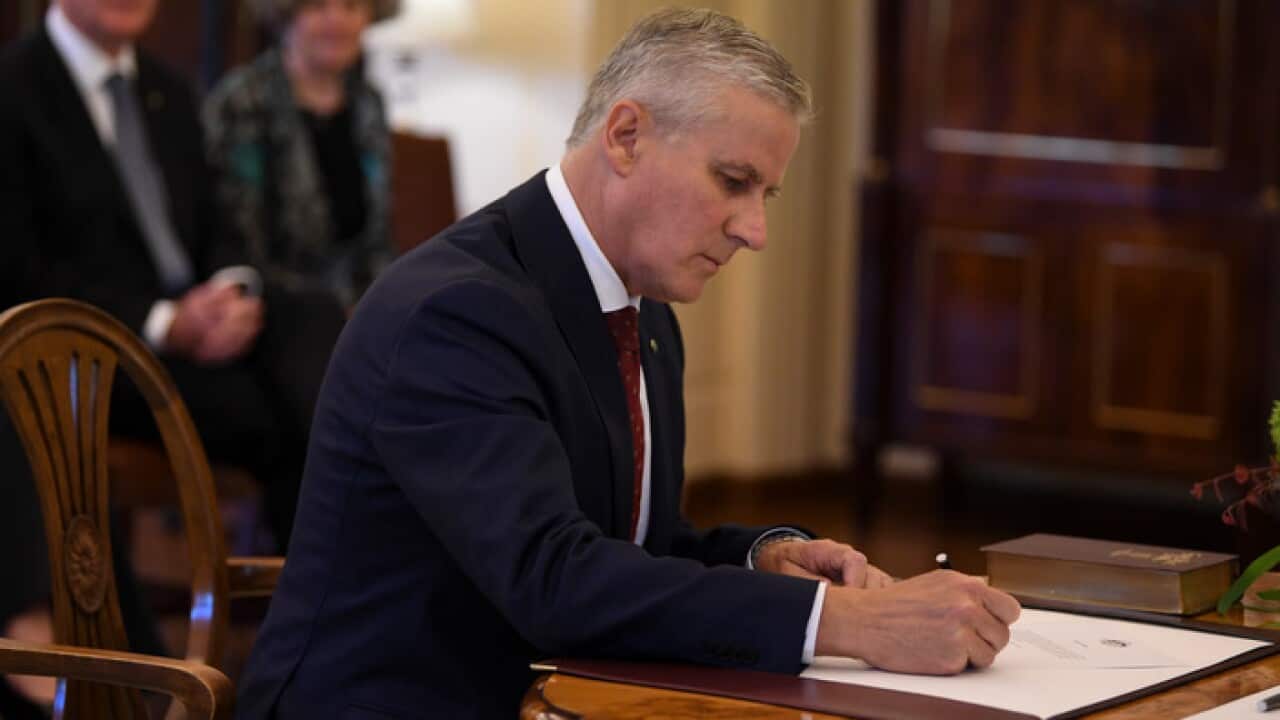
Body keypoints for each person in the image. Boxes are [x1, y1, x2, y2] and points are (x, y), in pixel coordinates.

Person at [237, 8, 1022, 718]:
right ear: (625, 136)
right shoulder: (456, 313)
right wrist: (850, 624)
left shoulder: (642, 312)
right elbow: (555, 580)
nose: (755, 231)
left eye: (766, 196)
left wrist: (762, 559)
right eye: (733, 182)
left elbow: (631, 552)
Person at [0, 0, 344, 707]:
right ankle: (149, 671)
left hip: (189, 353)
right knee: (287, 413)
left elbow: (214, 230)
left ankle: (326, 610)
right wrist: (163, 322)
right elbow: (18, 272)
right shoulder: (14, 87)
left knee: (312, 321)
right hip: (90, 353)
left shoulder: (169, 87)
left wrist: (229, 294)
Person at [204, 0, 396, 309]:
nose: (337, 20)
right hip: (277, 313)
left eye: (351, 6)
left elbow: (377, 243)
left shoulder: (369, 104)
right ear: (286, 13)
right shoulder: (242, 102)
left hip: (364, 310)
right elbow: (243, 249)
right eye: (318, 6)